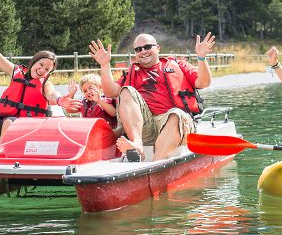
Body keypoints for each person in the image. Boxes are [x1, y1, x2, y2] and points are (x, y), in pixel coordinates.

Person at [0, 8, 73, 159]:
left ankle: (0, 153)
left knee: (9, 122)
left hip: (25, 132)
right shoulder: (15, 72)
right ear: (34, 61)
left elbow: (52, 94)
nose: (42, 70)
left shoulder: (45, 84)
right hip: (3, 126)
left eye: (47, 69)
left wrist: (59, 101)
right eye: (41, 64)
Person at [89, 32, 214, 162]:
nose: (143, 51)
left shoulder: (178, 65)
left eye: (147, 47)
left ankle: (156, 165)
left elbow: (203, 82)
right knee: (126, 91)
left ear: (158, 48)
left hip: (174, 123)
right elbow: (110, 92)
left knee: (176, 115)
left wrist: (201, 58)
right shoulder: (132, 73)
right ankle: (137, 145)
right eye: (138, 49)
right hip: (145, 127)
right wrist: (105, 65)